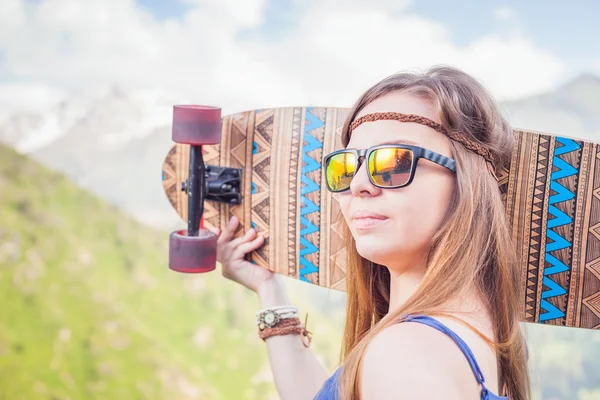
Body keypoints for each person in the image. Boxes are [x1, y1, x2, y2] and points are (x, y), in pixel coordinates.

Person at [212, 66, 531, 399]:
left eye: (393, 161)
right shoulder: (488, 340)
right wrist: (268, 290)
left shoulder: (407, 355)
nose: (359, 184)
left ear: (466, 181)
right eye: (346, 167)